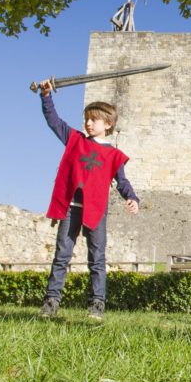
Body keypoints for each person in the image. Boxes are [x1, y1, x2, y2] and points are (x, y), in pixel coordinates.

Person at [37, 81, 139, 321]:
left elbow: (121, 181)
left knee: (97, 259)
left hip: (96, 211)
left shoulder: (114, 155)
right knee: (61, 256)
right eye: (86, 119)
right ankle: (51, 302)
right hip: (71, 208)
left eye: (94, 119)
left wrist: (131, 197)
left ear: (108, 124)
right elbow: (54, 120)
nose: (88, 123)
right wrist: (46, 96)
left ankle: (97, 304)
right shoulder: (75, 140)